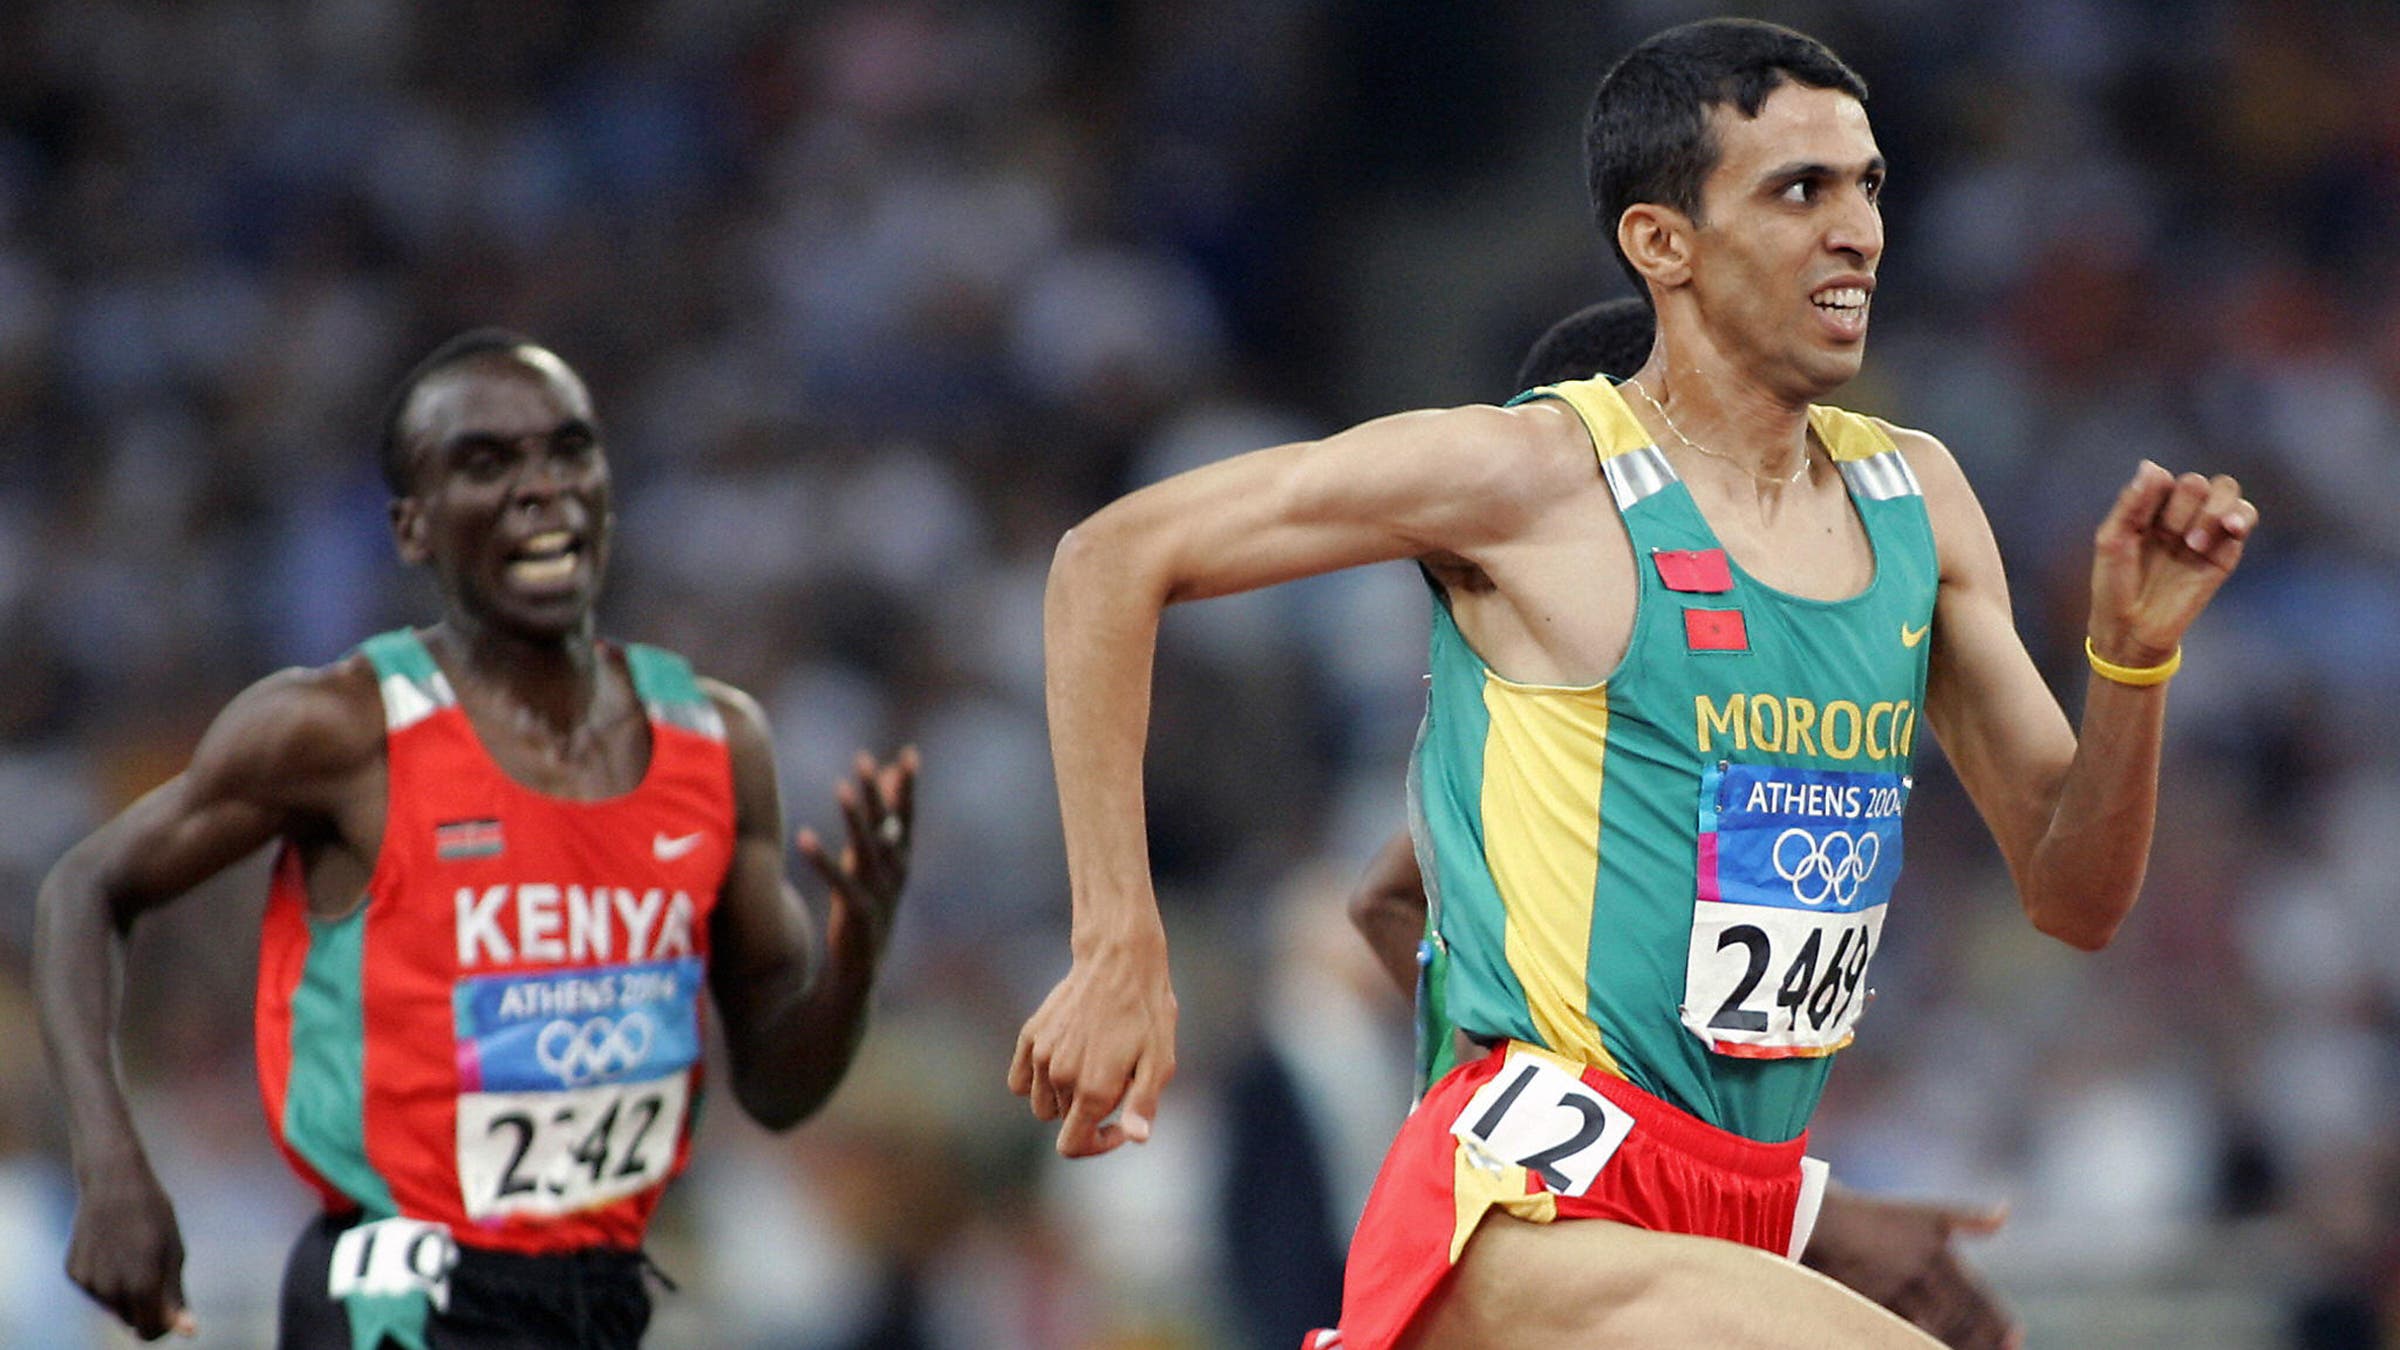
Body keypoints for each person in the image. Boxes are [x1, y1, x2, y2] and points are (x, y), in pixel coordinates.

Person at [1010, 16, 2254, 1350]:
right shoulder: (1536, 478)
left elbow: (2074, 891)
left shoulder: (1919, 500)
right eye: (1800, 190)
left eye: (1869, 185)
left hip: (1721, 1218)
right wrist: (1118, 945)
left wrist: (2132, 658)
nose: (1859, 230)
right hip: (1529, 1213)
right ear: (1662, 242)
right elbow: (1111, 555)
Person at [34, 330, 917, 1348]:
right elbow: (84, 889)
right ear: (413, 528)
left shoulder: (715, 744)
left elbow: (778, 1089)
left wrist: (857, 953)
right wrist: (108, 1168)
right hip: (394, 1288)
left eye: (569, 451)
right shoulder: (342, 728)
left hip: (603, 1298)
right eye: (487, 464)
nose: (542, 488)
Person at [1346, 293, 2018, 1349]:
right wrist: (1546, 1076)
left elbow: (1384, 895)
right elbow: (1389, 900)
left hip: (1661, 1230)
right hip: (1527, 1229)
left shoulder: (1741, 691)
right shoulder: (1598, 703)